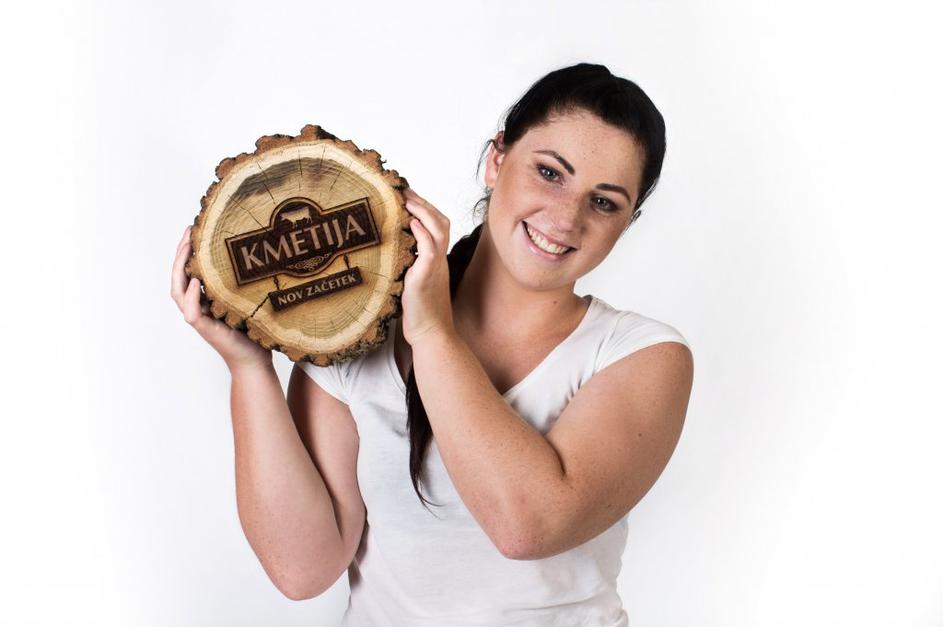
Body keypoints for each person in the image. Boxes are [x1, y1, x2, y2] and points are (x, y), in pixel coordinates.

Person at [171, 62, 694, 626]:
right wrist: (249, 368)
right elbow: (303, 570)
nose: (566, 218)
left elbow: (526, 526)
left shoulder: (641, 355)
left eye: (604, 202)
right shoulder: (356, 332)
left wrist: (430, 330)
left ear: (627, 221)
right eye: (549, 172)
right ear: (497, 161)